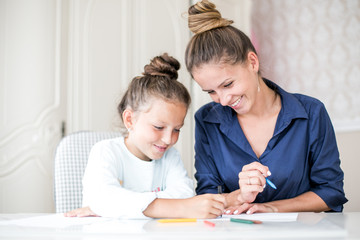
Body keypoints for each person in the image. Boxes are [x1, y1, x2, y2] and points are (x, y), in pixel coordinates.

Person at [184, 0, 347, 214]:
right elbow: (207, 196)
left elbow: (330, 192)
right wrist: (239, 196)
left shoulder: (311, 113)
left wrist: (271, 208)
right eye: (211, 92)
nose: (223, 101)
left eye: (228, 84)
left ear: (252, 62)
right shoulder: (207, 120)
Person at [65, 53, 225, 219]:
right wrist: (178, 208)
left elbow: (185, 195)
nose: (168, 139)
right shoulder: (105, 151)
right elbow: (103, 199)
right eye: (158, 127)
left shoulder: (170, 156)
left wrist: (120, 208)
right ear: (129, 120)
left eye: (177, 129)